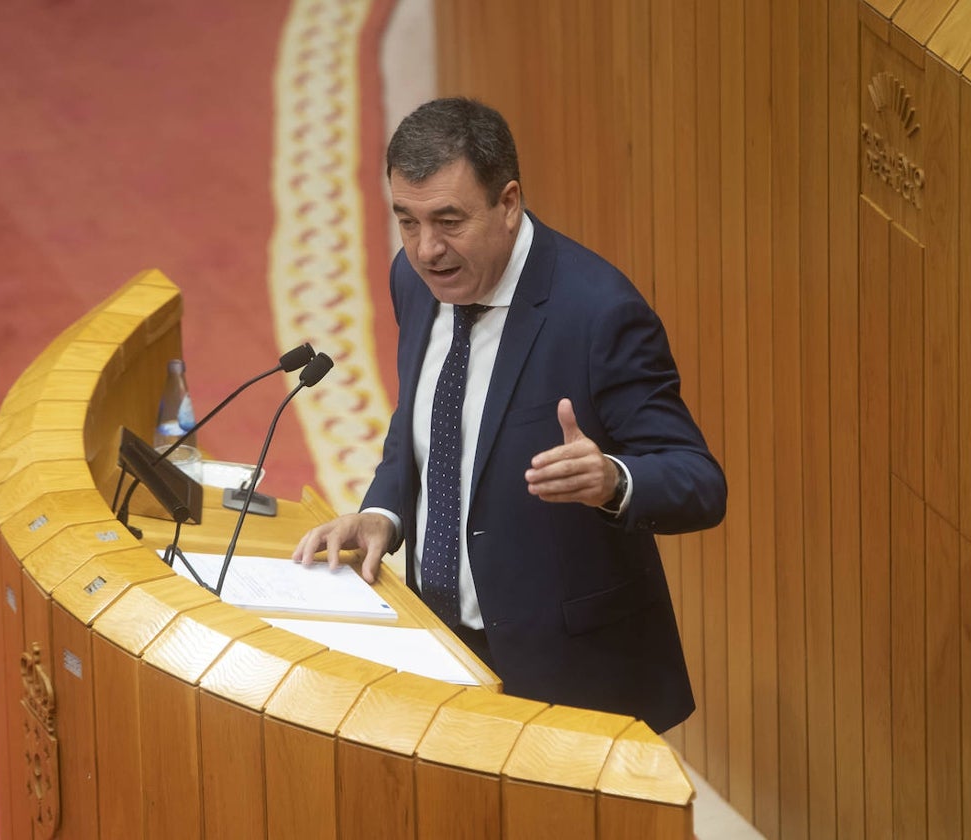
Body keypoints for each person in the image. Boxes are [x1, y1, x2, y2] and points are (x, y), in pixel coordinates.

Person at [292, 97, 726, 733]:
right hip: (437, 644)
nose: (426, 249)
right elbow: (428, 423)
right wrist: (383, 512)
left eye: (448, 220)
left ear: (509, 202)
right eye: (406, 222)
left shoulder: (598, 313)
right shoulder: (413, 281)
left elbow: (700, 482)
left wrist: (613, 479)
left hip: (567, 674)